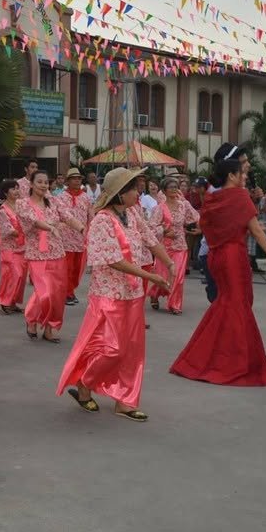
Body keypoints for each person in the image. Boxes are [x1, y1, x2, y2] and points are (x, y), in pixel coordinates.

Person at [57, 167, 172, 422]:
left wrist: (170, 264)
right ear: (119, 194)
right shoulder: (101, 221)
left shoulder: (133, 213)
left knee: (132, 351)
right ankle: (85, 384)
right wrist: (151, 276)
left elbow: (150, 239)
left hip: (132, 292)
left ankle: (125, 401)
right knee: (111, 349)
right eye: (132, 188)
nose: (137, 192)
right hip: (108, 295)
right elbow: (113, 260)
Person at [169, 155, 266, 386]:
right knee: (235, 305)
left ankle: (208, 356)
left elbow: (207, 225)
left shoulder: (213, 198)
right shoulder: (239, 196)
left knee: (226, 303)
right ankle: (232, 361)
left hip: (216, 255)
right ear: (231, 176)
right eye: (242, 173)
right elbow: (256, 231)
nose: (245, 177)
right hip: (233, 256)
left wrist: (241, 228)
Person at [17, 171, 82, 343]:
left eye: (46, 182)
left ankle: (49, 328)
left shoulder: (54, 201)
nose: (44, 185)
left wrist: (83, 229)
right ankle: (31, 319)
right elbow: (33, 221)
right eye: (39, 182)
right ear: (31, 184)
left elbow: (68, 218)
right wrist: (50, 227)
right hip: (37, 254)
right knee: (44, 293)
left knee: (57, 294)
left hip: (57, 252)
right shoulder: (23, 204)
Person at [147, 178, 200, 315]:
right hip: (164, 249)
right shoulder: (159, 208)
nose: (174, 189)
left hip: (180, 246)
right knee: (164, 276)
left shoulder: (184, 205)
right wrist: (164, 231)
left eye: (175, 186)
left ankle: (174, 304)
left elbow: (195, 217)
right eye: (170, 187)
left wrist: (197, 228)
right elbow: (151, 228)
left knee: (178, 277)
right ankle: (155, 293)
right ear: (164, 190)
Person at [57, 168, 91, 306]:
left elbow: (91, 213)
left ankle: (71, 291)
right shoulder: (60, 197)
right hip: (66, 239)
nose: (77, 181)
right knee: (67, 268)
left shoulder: (86, 197)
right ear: (68, 181)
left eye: (79, 178)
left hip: (81, 239)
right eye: (74, 178)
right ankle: (67, 293)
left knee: (78, 269)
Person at [0, 180, 28, 315]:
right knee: (12, 274)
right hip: (9, 248)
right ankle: (5, 301)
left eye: (17, 188)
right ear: (6, 192)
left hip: (22, 247)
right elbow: (7, 229)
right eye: (13, 189)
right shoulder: (2, 211)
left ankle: (13, 302)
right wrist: (25, 231)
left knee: (21, 276)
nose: (16, 191)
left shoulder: (21, 207)